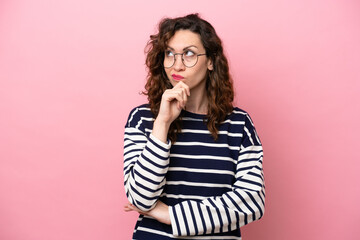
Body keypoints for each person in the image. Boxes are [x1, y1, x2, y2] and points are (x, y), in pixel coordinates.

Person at [123, 13, 265, 239]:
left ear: (210, 61)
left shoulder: (239, 124)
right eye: (170, 54)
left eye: (189, 53)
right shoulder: (143, 119)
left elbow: (252, 202)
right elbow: (140, 198)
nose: (177, 64)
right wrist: (162, 124)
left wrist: (171, 215)